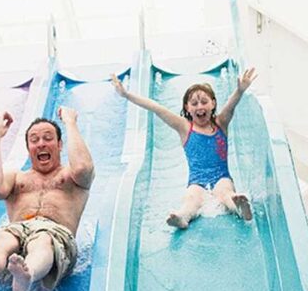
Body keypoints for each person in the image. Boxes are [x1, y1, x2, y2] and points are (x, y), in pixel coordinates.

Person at [0, 107, 95, 291]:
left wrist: (70, 122)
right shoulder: (17, 177)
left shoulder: (71, 176)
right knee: (0, 239)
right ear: (28, 148)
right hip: (17, 229)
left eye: (48, 138)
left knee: (42, 241)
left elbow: (83, 167)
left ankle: (27, 275)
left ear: (60, 144)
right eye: (34, 140)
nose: (41, 144)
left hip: (54, 234)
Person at [110, 68, 257, 229]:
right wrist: (126, 95)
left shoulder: (220, 123)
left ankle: (239, 207)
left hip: (221, 176)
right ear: (187, 107)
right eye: (194, 103)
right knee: (191, 199)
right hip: (196, 181)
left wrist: (240, 90)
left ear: (213, 103)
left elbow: (231, 105)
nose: (199, 106)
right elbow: (156, 108)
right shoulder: (185, 127)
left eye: (204, 102)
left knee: (225, 193)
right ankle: (182, 217)